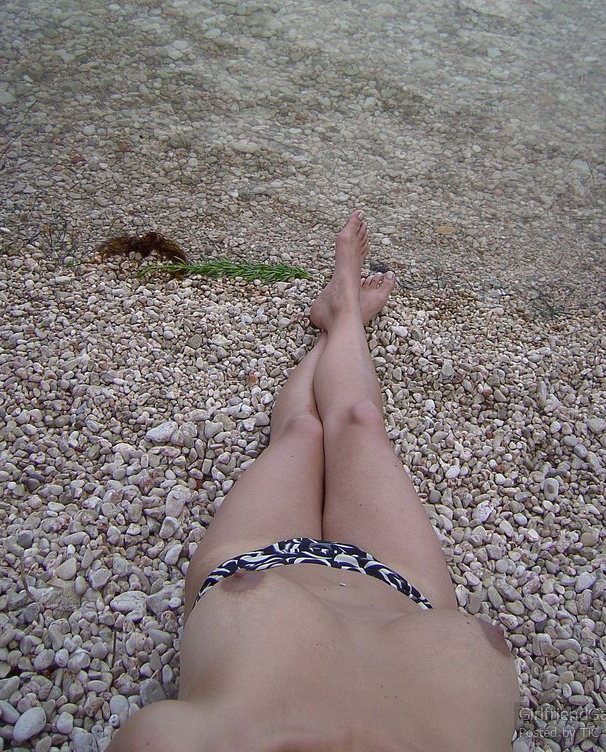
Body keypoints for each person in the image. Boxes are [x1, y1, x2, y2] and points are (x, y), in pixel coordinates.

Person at [108, 210, 520, 752]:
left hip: (261, 558)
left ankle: (340, 312)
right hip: (403, 588)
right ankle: (344, 313)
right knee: (360, 423)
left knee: (303, 432)